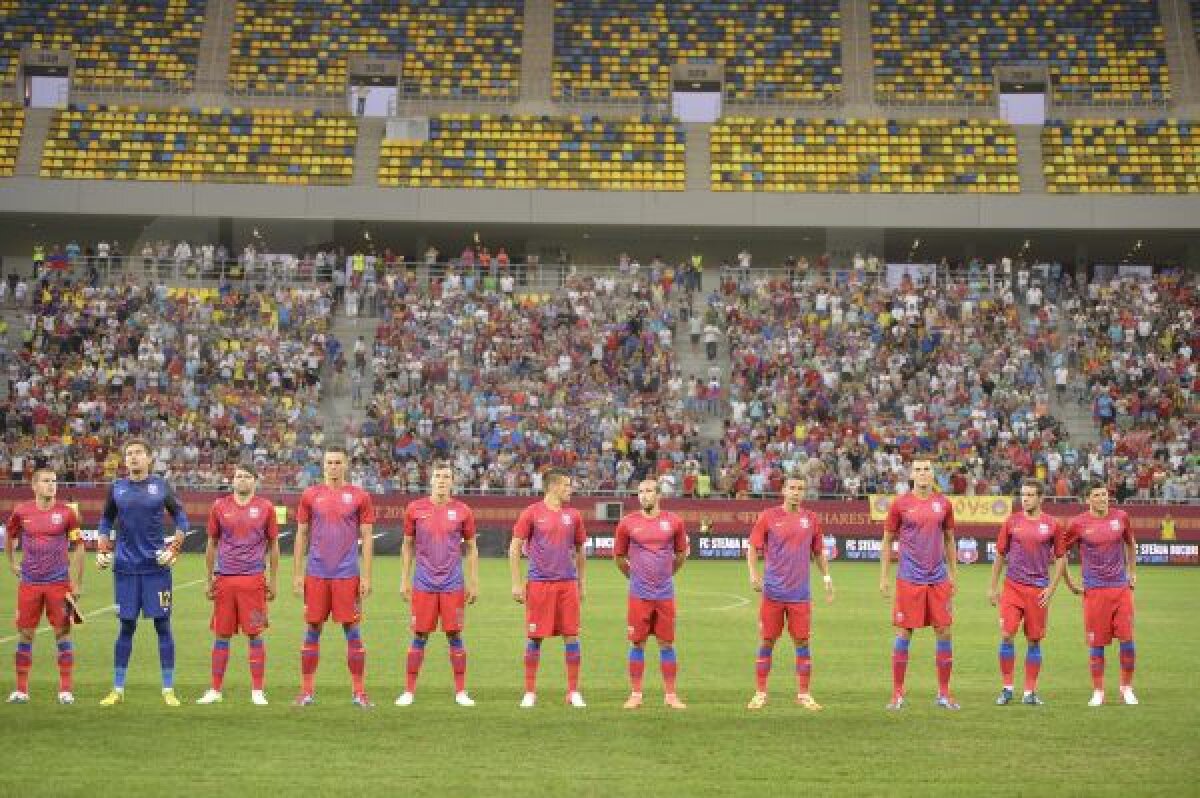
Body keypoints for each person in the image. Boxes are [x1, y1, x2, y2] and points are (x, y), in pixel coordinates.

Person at [96, 439, 190, 707]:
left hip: (156, 569)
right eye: (129, 454)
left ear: (150, 458)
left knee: (163, 626)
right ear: (125, 460)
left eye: (138, 453)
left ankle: (168, 690)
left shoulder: (161, 486)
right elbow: (105, 520)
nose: (133, 457)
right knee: (126, 626)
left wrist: (174, 547)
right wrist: (103, 545)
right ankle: (117, 689)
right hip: (125, 569)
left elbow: (181, 518)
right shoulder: (117, 488)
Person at [292, 447, 376, 708]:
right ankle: (306, 692)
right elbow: (301, 535)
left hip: (347, 575)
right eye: (329, 462)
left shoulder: (359, 496)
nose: (333, 466)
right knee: (312, 629)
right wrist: (297, 574)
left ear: (346, 465)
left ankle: (359, 692)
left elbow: (367, 538)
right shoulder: (310, 495)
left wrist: (367, 576)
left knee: (352, 630)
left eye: (338, 462)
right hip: (316, 574)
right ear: (323, 465)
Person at [746, 474, 834, 711]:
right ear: (783, 490)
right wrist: (753, 573)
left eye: (801, 488)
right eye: (792, 488)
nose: (796, 492)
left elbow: (818, 552)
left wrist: (826, 577)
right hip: (773, 593)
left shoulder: (811, 519)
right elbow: (753, 548)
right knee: (767, 641)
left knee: (802, 642)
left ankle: (804, 694)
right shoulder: (768, 516)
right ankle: (760, 692)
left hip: (800, 594)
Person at [196, 465, 280, 706]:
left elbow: (273, 545)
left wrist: (273, 580)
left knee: (255, 634)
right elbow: (211, 543)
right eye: (238, 477)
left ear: (255, 481)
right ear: (232, 481)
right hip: (225, 580)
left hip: (253, 581)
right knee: (222, 634)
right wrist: (208, 577)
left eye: (247, 477)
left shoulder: (265, 508)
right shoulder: (219, 506)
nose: (242, 480)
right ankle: (215, 689)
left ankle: (257, 691)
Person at [397, 461, 479, 707]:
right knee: (419, 635)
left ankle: (461, 692)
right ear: (430, 480)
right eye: (438, 476)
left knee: (454, 634)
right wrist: (404, 579)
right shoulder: (415, 509)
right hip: (423, 583)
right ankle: (409, 691)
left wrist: (473, 583)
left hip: (453, 583)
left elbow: (472, 548)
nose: (442, 480)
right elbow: (407, 545)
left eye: (446, 476)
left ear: (453, 481)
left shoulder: (463, 511)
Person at [879, 459, 959, 710]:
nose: (923, 473)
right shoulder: (900, 504)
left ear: (932, 474)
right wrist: (884, 577)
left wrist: (953, 574)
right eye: (919, 470)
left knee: (944, 631)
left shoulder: (943, 504)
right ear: (911, 474)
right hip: (909, 578)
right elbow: (887, 540)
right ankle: (897, 694)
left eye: (927, 470)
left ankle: (944, 694)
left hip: (937, 578)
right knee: (904, 632)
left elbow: (949, 539)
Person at [987, 480, 1073, 706]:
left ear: (1041, 498)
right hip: (1013, 587)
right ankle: (1007, 689)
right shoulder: (1012, 521)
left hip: (1038, 591)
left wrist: (1052, 588)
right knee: (1006, 635)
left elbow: (1062, 558)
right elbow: (999, 555)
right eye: (1023, 495)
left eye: (1030, 495)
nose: (1025, 499)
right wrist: (993, 586)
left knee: (1034, 641)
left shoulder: (1052, 525)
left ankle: (1029, 692)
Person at [5, 467, 83, 704]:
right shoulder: (22, 511)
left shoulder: (67, 513)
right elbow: (10, 535)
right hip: (29, 583)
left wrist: (77, 583)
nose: (52, 485)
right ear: (34, 485)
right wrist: (12, 563)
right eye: (46, 481)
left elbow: (79, 546)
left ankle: (66, 690)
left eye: (55, 481)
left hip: (59, 584)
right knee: (26, 634)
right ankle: (21, 690)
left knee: (62, 633)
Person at [509, 468, 587, 708]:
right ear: (553, 487)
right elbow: (514, 548)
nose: (569, 489)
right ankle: (530, 691)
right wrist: (515, 583)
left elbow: (581, 551)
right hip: (539, 584)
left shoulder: (573, 515)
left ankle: (573, 692)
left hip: (567, 584)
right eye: (566, 485)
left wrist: (581, 583)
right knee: (535, 638)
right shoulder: (531, 513)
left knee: (571, 635)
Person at [1061, 483, 1138, 706]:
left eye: (1104, 494)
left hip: (1120, 588)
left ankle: (1126, 688)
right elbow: (1060, 553)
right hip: (1094, 591)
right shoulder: (1078, 524)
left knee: (1128, 640)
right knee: (1097, 644)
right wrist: (1070, 582)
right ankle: (1098, 691)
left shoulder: (1121, 517)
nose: (1102, 498)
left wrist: (1132, 572)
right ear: (1088, 499)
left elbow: (1131, 544)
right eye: (1097, 495)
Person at [614, 478, 689, 710]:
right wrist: (634, 577)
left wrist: (667, 574)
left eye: (649, 491)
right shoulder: (627, 523)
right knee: (637, 644)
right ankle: (636, 694)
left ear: (658, 495)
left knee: (667, 644)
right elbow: (619, 557)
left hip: (665, 594)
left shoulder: (674, 522)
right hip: (639, 595)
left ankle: (670, 695)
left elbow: (680, 554)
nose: (644, 495)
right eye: (640, 491)